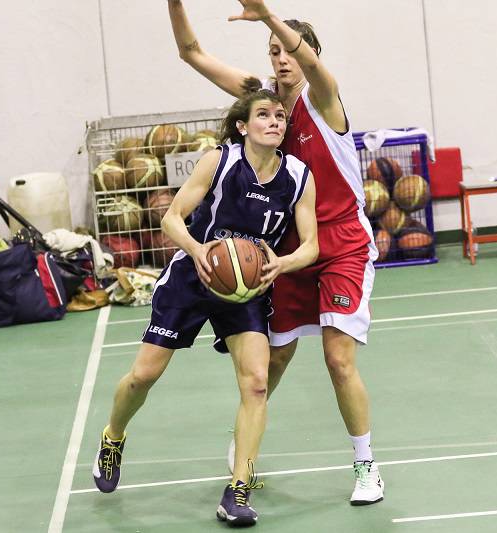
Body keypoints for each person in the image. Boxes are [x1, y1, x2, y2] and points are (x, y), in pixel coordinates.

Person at [168, 0, 384, 505]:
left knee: (338, 359)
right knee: (277, 357)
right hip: (284, 251)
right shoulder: (262, 104)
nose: (281, 59)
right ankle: (245, 445)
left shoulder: (325, 98)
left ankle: (366, 464)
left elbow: (308, 64)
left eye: (287, 49)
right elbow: (191, 52)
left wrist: (267, 15)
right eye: (272, 52)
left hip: (341, 246)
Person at [93, 89, 318, 527]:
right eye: (263, 115)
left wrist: (282, 262)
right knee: (143, 377)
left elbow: (311, 244)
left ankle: (238, 489)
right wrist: (198, 250)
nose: (274, 122)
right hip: (193, 276)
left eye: (279, 116)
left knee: (256, 383)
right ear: (242, 125)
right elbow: (172, 217)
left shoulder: (299, 175)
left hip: (247, 286)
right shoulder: (220, 160)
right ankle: (113, 436)